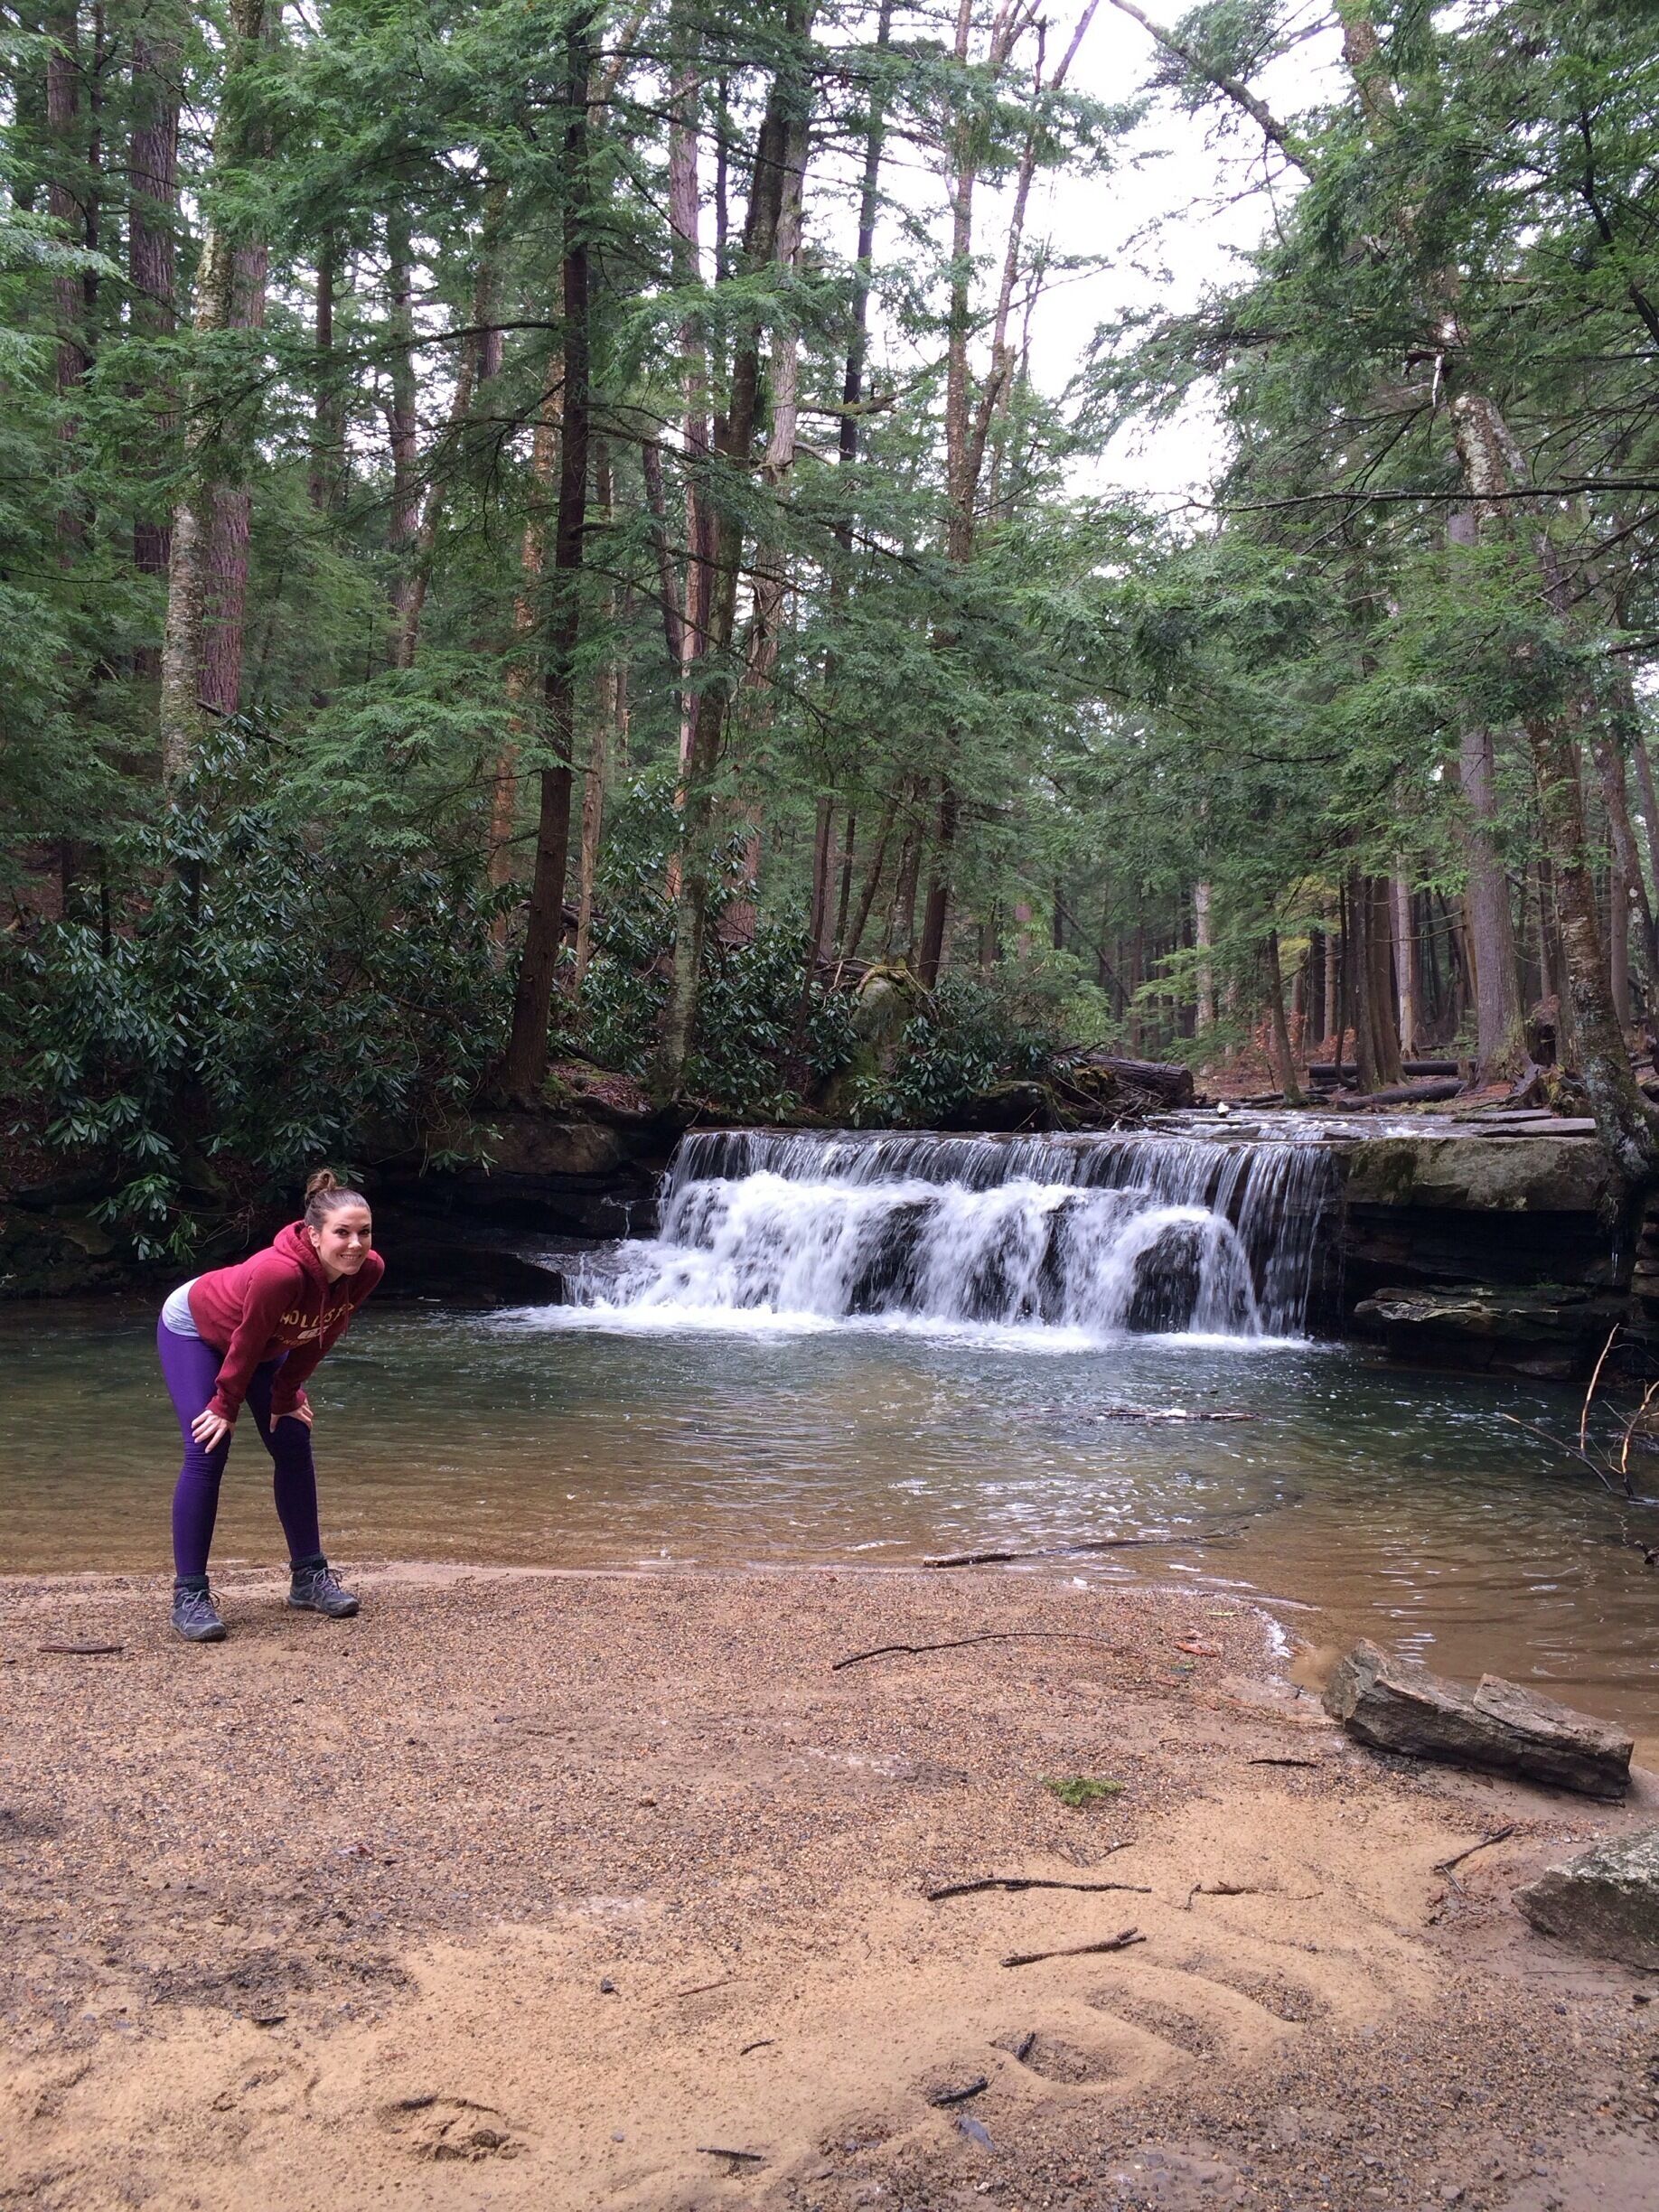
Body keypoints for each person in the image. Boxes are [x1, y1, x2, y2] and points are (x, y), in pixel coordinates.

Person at [156, 1169, 384, 1643]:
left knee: (292, 1437)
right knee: (208, 1447)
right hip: (197, 1328)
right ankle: (190, 1596)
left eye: (363, 1232)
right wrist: (225, 1405)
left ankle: (309, 1578)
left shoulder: (368, 1270)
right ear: (314, 1234)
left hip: (263, 1341)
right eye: (342, 1232)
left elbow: (322, 1334)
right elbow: (247, 1342)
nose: (355, 1244)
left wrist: (286, 1395)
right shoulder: (279, 1273)